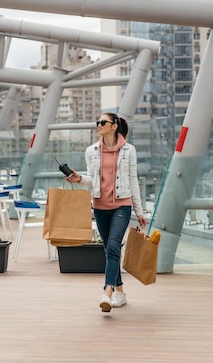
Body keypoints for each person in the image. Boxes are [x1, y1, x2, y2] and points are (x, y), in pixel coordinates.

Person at [66, 112, 148, 312]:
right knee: (109, 250)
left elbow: (133, 181)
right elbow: (92, 179)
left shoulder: (129, 151)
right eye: (98, 122)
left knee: (113, 246)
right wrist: (78, 179)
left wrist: (139, 211)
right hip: (100, 206)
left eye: (103, 122)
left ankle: (107, 292)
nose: (99, 125)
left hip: (122, 205)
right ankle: (120, 292)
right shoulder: (91, 150)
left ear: (114, 126)